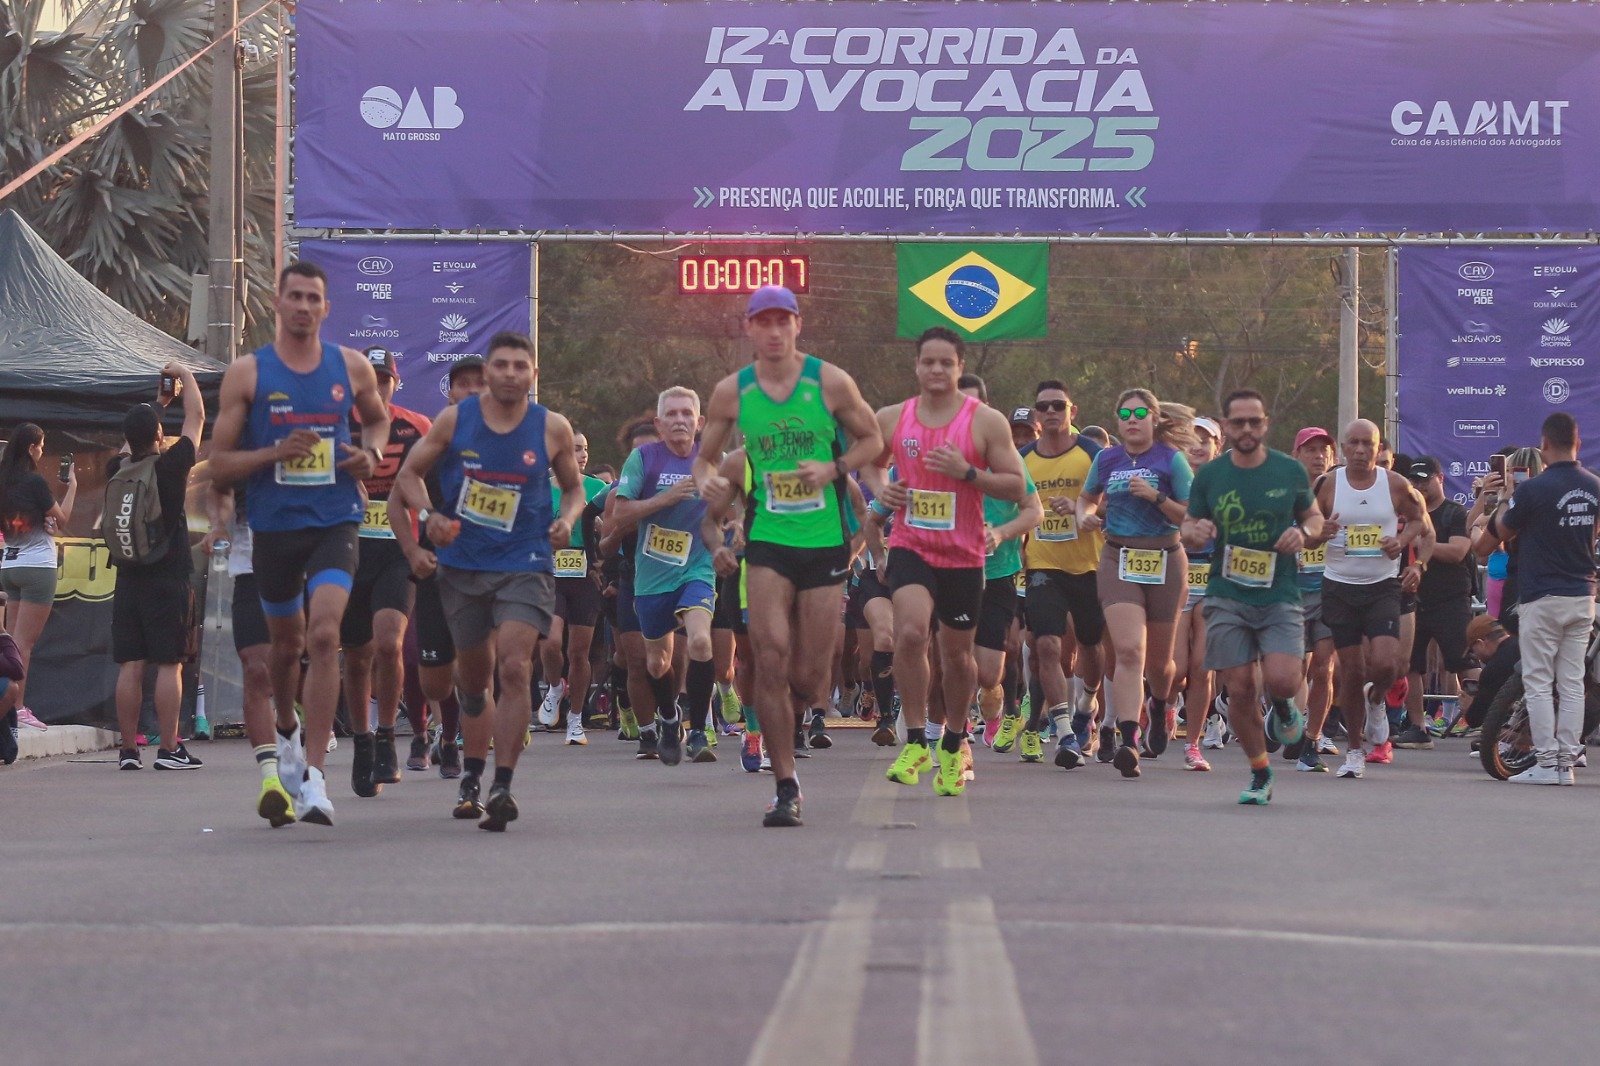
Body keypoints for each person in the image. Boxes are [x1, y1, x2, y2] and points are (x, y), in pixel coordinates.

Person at [208, 260, 390, 825]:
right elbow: (218, 465)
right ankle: (286, 734)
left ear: (326, 308)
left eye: (315, 298)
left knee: (326, 634)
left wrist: (373, 453)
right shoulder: (249, 373)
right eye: (296, 297)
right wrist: (273, 453)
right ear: (278, 304)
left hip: (335, 520)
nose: (305, 307)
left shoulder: (350, 366)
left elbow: (377, 422)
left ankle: (312, 776)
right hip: (274, 530)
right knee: (285, 649)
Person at [694, 285, 882, 828]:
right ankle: (785, 785)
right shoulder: (732, 392)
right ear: (748, 328)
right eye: (762, 322)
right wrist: (707, 484)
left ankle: (797, 715)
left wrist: (833, 469)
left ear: (798, 324)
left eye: (783, 321)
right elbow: (705, 460)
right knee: (769, 658)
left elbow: (871, 441)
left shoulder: (830, 381)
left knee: (809, 676)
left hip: (823, 542)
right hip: (768, 541)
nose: (774, 331)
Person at [391, 331, 586, 828]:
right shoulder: (456, 421)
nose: (510, 374)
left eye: (521, 366)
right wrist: (430, 514)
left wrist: (566, 520)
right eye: (501, 365)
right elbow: (408, 477)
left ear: (533, 375)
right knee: (473, 682)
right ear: (490, 373)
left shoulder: (553, 428)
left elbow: (574, 490)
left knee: (517, 667)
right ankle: (471, 771)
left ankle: (502, 783)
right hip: (465, 566)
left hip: (526, 562)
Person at [867, 334, 1026, 796]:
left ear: (959, 367)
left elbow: (1016, 487)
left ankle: (954, 740)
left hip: (963, 553)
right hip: (911, 543)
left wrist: (968, 473)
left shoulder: (986, 423)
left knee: (957, 656)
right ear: (916, 366)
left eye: (945, 363)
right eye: (927, 362)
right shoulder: (893, 417)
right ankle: (917, 739)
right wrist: (883, 490)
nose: (936, 371)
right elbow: (873, 465)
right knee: (911, 632)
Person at [1182, 389, 1320, 804]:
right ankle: (1260, 772)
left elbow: (1312, 515)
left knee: (1281, 678)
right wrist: (1195, 532)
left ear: (1265, 425)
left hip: (1279, 594)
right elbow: (1189, 523)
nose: (1246, 429)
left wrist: (1305, 531)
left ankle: (1283, 706)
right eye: (1238, 422)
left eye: (1254, 422)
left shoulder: (1288, 471)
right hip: (1226, 595)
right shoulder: (1210, 475)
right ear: (1226, 427)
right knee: (1239, 687)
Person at [1078, 389, 1196, 779]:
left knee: (1162, 666)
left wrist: (1157, 496)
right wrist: (1087, 515)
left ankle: (1160, 705)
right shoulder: (1105, 458)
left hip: (1165, 560)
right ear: (1117, 421)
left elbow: (1192, 517)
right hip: (1119, 558)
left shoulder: (1171, 460)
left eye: (1140, 412)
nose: (1132, 419)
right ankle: (1129, 739)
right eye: (1124, 412)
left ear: (1154, 418)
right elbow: (1086, 499)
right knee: (1129, 650)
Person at [1478, 412, 1600, 785]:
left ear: (1544, 445)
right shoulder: (1595, 486)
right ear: (1577, 443)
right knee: (1572, 681)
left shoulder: (1532, 490)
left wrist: (1503, 500)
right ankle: (1565, 763)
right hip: (1582, 596)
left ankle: (1547, 763)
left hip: (1542, 596)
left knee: (1538, 680)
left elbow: (1488, 543)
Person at [339, 346, 433, 796]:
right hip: (348, 548)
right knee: (355, 655)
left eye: (385, 379)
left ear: (396, 383)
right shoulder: (339, 423)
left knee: (389, 642)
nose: (377, 386)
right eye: (370, 379)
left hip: (398, 548)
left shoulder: (417, 427)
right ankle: (361, 740)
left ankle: (386, 736)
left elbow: (434, 484)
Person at [1312, 419, 1426, 780]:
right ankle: (1355, 751)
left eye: (1368, 444)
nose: (1361, 450)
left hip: (1381, 586)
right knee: (1350, 671)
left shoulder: (1394, 484)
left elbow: (1420, 519)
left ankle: (1377, 698)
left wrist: (1402, 541)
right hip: (1340, 587)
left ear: (1378, 449)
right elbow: (1305, 534)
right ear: (1343, 448)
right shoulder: (1328, 485)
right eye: (1354, 443)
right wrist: (1320, 532)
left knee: (1388, 665)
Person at [612, 387, 719, 765]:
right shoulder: (642, 459)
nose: (679, 420)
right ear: (658, 424)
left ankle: (701, 731)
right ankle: (670, 719)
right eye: (671, 414)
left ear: (699, 422)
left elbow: (732, 508)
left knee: (702, 644)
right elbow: (619, 515)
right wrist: (665, 499)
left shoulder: (712, 461)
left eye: (687, 414)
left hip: (697, 569)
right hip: (653, 576)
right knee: (657, 663)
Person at [108, 366, 205, 771]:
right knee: (169, 663)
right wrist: (183, 374)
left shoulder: (117, 468)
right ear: (160, 436)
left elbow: (132, 442)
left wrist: (155, 407)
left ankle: (129, 750)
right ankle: (168, 748)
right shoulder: (173, 464)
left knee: (132, 664)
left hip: (128, 577)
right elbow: (197, 417)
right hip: (168, 577)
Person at [404, 355, 484, 780]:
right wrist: (427, 518)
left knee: (479, 669)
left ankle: (468, 762)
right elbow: (404, 486)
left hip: (491, 570)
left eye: (480, 384)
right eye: (463, 384)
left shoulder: (513, 436)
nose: (472, 391)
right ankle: (435, 729)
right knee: (433, 674)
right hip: (438, 567)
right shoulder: (435, 437)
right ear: (450, 392)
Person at [1017, 381, 1104, 767]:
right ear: (1037, 415)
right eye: (1043, 407)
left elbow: (1115, 506)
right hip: (1042, 565)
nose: (1050, 412)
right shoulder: (1022, 459)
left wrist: (1085, 512)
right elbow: (1012, 507)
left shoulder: (1093, 454)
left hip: (1089, 565)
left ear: (1073, 410)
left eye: (1058, 405)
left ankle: (1088, 701)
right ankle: (1066, 733)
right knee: (1047, 647)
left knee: (1090, 646)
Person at [961, 377, 1043, 753]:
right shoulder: (931, 450)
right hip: (948, 570)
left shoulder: (1004, 457)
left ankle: (994, 703)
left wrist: (1002, 533)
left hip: (997, 572)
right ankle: (950, 735)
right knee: (951, 657)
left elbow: (1034, 512)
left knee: (989, 670)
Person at [0, 422, 77, 732]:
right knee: (23, 644)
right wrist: (72, 487)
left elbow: (28, 522)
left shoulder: (4, 481)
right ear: (31, 448)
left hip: (9, 565)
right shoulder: (34, 482)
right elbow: (62, 518)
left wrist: (43, 523)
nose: (43, 451)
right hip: (37, 567)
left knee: (12, 640)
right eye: (42, 445)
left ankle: (11, 704)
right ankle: (17, 708)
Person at [1395, 456, 1473, 750]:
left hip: (1451, 599)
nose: (1419, 486)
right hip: (1415, 599)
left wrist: (1420, 542)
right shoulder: (1406, 515)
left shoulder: (1454, 512)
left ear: (1440, 478)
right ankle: (1418, 727)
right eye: (1414, 480)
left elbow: (1458, 551)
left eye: (1425, 480)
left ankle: (1485, 722)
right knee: (1411, 665)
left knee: (1463, 662)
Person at [538, 428, 609, 746]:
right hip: (549, 573)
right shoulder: (540, 487)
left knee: (579, 652)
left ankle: (575, 720)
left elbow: (613, 531)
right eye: (575, 448)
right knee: (551, 643)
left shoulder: (598, 489)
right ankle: (555, 687)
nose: (581, 455)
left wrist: (601, 534)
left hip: (584, 576)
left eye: (585, 449)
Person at [1291, 426, 1341, 770]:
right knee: (1290, 672)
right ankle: (1284, 717)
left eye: (1324, 450)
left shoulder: (1344, 495)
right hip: (1290, 594)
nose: (1318, 455)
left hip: (1329, 591)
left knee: (1324, 667)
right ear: (1297, 456)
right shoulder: (1284, 495)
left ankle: (1310, 740)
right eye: (1310, 450)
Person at [1173, 415, 1220, 771]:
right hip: (1175, 579)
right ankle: (1160, 707)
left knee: (1203, 667)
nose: (1199, 445)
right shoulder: (1171, 480)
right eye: (1193, 437)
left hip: (1212, 584)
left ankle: (1193, 743)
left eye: (1207, 439)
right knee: (1174, 670)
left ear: (1218, 447)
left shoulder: (1227, 485)